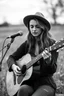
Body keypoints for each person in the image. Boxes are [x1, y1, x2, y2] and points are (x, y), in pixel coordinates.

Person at [7, 12, 58, 96]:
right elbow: (11, 57)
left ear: (43, 28)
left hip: (45, 83)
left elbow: (52, 70)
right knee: (22, 91)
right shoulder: (27, 44)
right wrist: (14, 66)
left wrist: (48, 61)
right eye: (32, 26)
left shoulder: (52, 44)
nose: (34, 29)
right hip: (29, 83)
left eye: (37, 26)